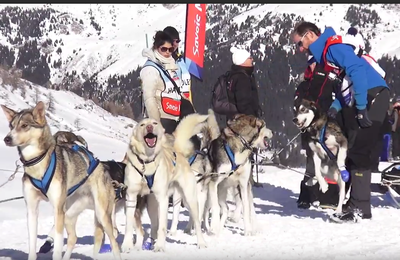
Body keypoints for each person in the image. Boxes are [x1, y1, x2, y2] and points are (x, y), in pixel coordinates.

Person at [292, 22, 389, 222]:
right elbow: (346, 85)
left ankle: (359, 208)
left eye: (300, 43)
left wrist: (361, 108)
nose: (300, 49)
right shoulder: (327, 54)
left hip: (373, 95)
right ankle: (353, 202)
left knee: (359, 149)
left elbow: (358, 72)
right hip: (365, 96)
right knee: (352, 148)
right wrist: (336, 107)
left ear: (309, 35)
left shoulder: (333, 47)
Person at [294, 56, 340, 209]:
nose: (313, 66)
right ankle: (308, 196)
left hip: (326, 127)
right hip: (311, 129)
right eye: (311, 64)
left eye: (315, 63)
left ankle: (326, 196)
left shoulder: (328, 81)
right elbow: (297, 105)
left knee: (329, 160)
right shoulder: (306, 84)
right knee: (312, 161)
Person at [140, 30, 195, 134]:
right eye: (164, 49)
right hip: (163, 119)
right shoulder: (150, 69)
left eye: (170, 49)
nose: (167, 53)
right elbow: (149, 99)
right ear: (156, 47)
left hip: (175, 118)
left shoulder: (172, 65)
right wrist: (157, 124)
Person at [226, 46, 263, 187]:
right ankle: (245, 179)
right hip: (244, 121)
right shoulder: (242, 78)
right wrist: (252, 119)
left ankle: (244, 177)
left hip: (236, 119)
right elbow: (244, 101)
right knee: (246, 148)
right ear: (242, 61)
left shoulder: (237, 76)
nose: (252, 59)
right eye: (249, 58)